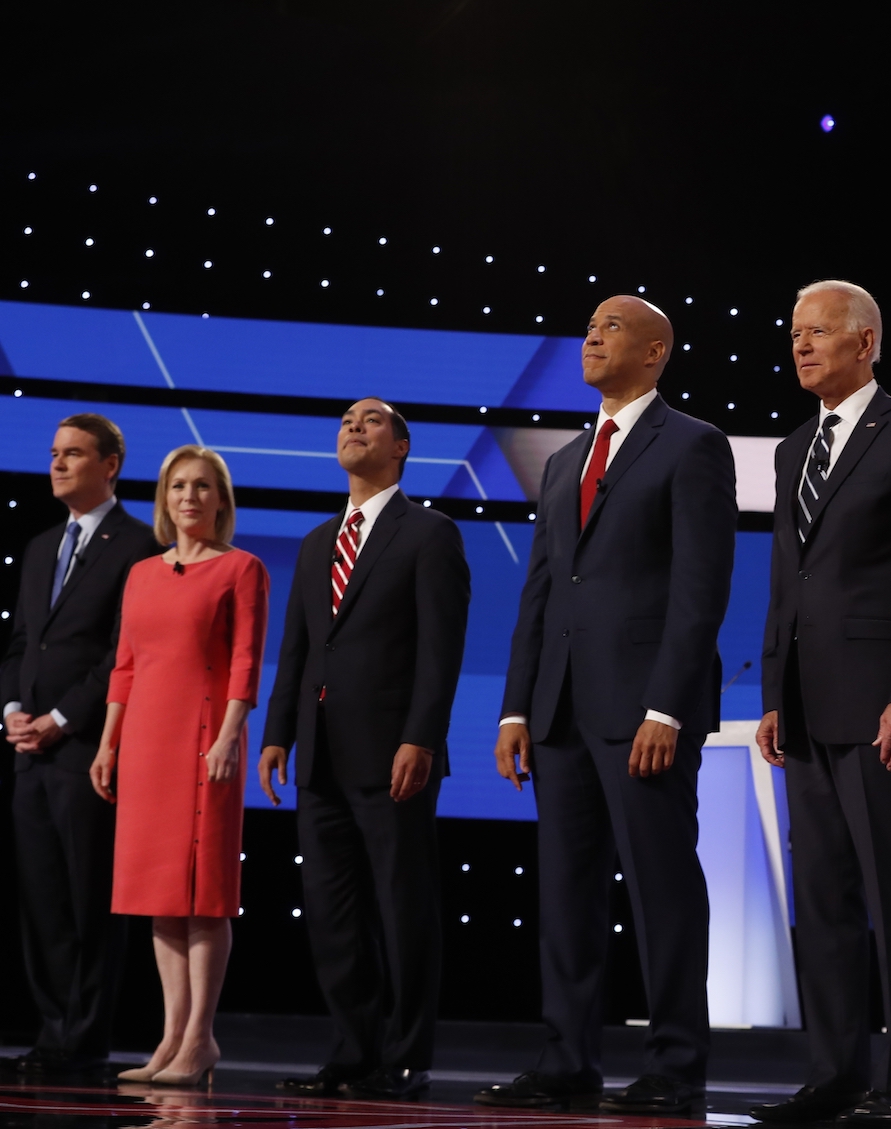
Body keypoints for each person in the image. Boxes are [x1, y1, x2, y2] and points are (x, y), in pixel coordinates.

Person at [481, 295, 736, 1115]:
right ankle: (566, 1059)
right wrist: (515, 708)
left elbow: (701, 588)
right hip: (558, 709)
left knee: (662, 888)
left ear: (656, 350)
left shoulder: (693, 443)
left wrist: (668, 707)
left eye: (612, 326)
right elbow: (540, 590)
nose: (592, 335)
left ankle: (676, 1064)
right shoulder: (565, 460)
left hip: (644, 713)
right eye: (590, 326)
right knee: (566, 893)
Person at [752, 280, 891, 1127]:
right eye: (793, 334)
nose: (800, 346)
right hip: (805, 709)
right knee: (823, 900)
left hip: (880, 708)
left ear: (864, 341)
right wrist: (773, 692)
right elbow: (785, 578)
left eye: (816, 332)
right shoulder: (791, 447)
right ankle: (834, 1074)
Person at [259, 399, 471, 1101]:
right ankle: (352, 1054)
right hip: (319, 756)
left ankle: (406, 1058)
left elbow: (441, 649)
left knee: (403, 906)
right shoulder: (318, 540)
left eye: (372, 420)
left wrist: (421, 736)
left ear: (401, 447)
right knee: (333, 913)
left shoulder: (430, 533)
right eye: (347, 419)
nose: (354, 425)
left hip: (393, 755)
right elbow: (297, 648)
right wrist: (277, 732)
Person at [88, 446, 267, 1086]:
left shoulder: (241, 569)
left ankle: (199, 1039)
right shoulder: (142, 573)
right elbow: (125, 666)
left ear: (221, 499)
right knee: (160, 898)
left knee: (204, 897)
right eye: (178, 486)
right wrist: (108, 744)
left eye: (202, 486)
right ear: (164, 498)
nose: (189, 497)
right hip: (145, 744)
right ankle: (169, 1039)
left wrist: (229, 737)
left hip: (204, 743)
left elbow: (246, 660)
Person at [1, 415, 158, 1078]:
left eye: (73, 453)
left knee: (89, 899)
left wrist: (63, 718)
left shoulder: (141, 544)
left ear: (110, 464)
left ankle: (85, 1038)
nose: (58, 464)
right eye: (54, 453)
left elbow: (126, 651)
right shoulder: (42, 546)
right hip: (29, 752)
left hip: (90, 749)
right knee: (42, 900)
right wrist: (14, 710)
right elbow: (20, 644)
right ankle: (52, 1033)